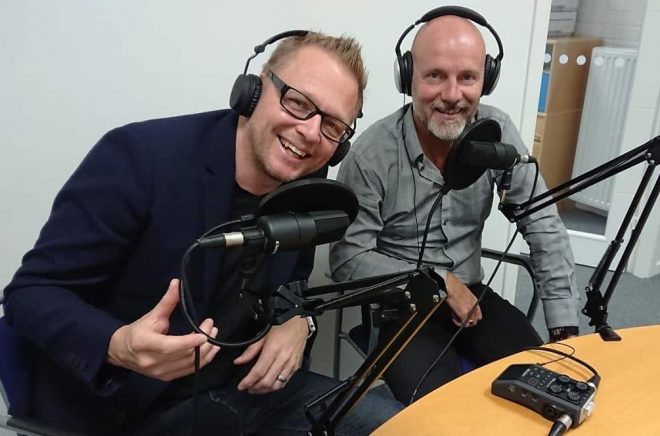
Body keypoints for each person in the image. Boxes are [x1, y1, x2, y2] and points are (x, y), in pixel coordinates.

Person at [3, 31, 402, 435]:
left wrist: (299, 321)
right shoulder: (139, 158)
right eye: (298, 104)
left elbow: (294, 279)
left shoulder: (306, 176)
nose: (311, 132)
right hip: (126, 407)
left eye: (333, 125)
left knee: (408, 426)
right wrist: (118, 345)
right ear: (253, 90)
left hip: (242, 393)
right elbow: (29, 295)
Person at [330, 11, 580, 404]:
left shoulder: (496, 132)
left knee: (547, 386)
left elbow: (543, 222)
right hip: (404, 306)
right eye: (435, 76)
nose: (452, 94)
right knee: (444, 409)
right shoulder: (371, 154)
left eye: (467, 77)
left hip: (475, 297)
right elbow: (347, 259)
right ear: (408, 77)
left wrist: (564, 327)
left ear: (486, 79)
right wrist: (437, 279)